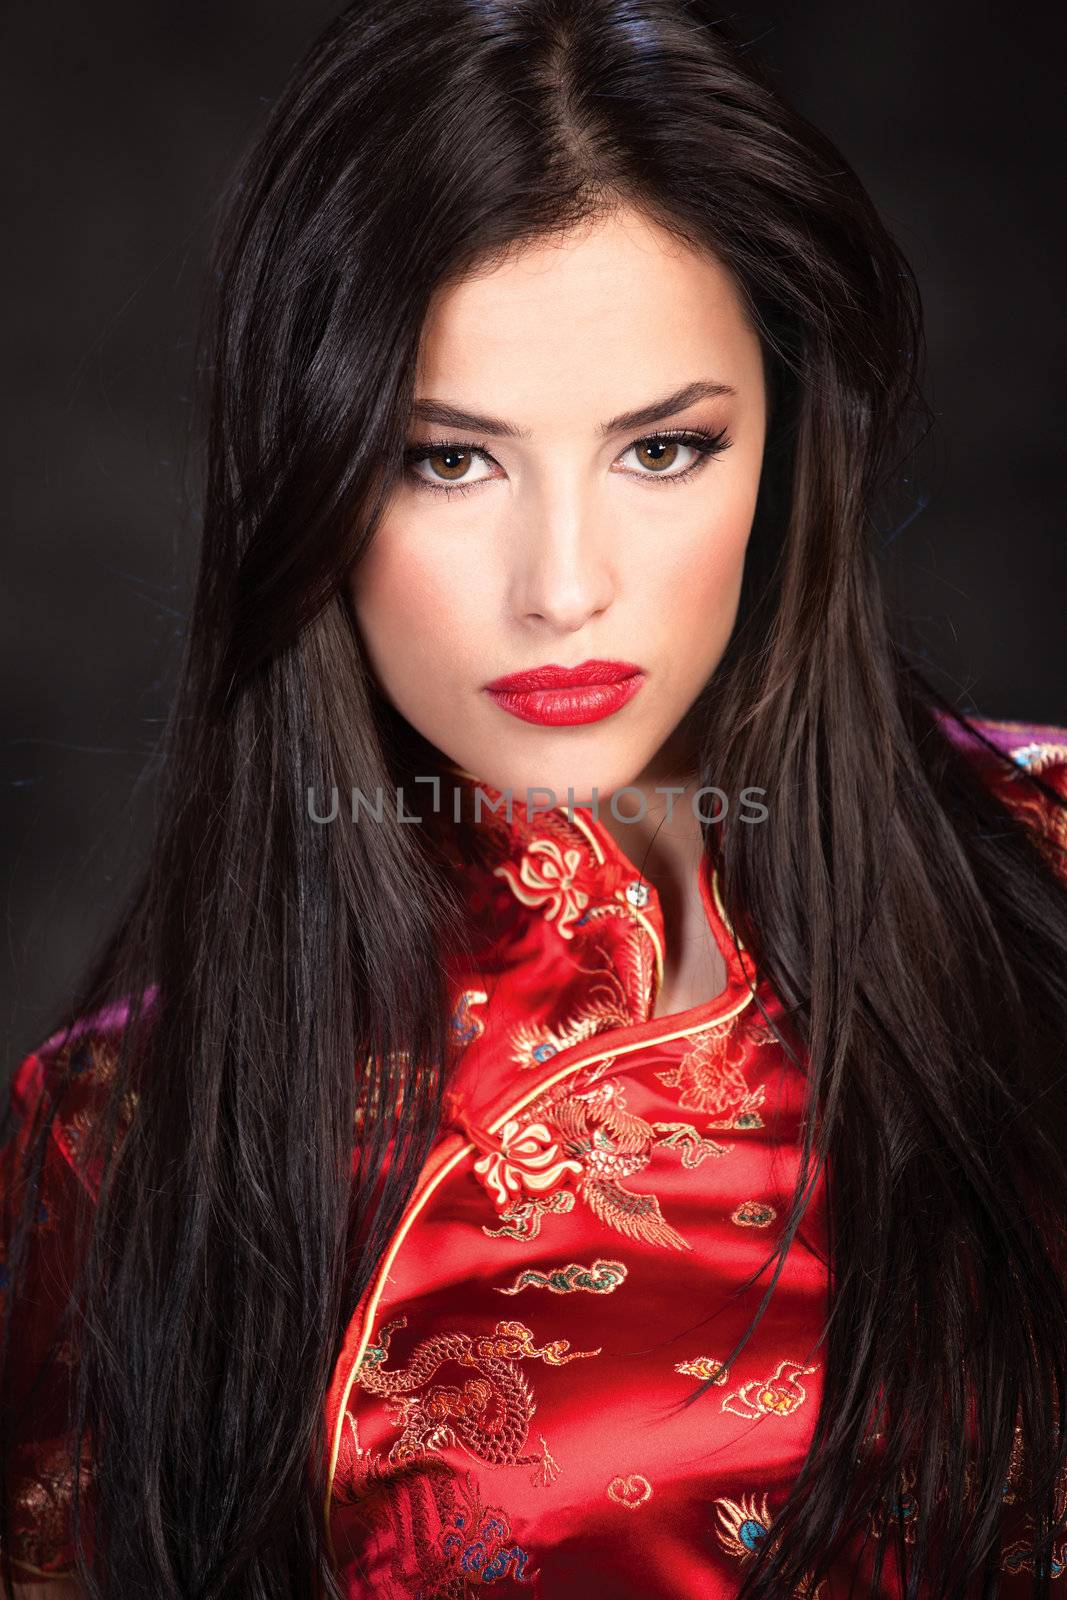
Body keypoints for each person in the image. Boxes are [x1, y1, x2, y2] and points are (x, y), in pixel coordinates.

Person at [2, 3, 1066, 1597]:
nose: (564, 587)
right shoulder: (113, 1148)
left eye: (662, 449)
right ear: (309, 474)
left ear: (785, 448)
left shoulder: (1046, 873)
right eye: (448, 461)